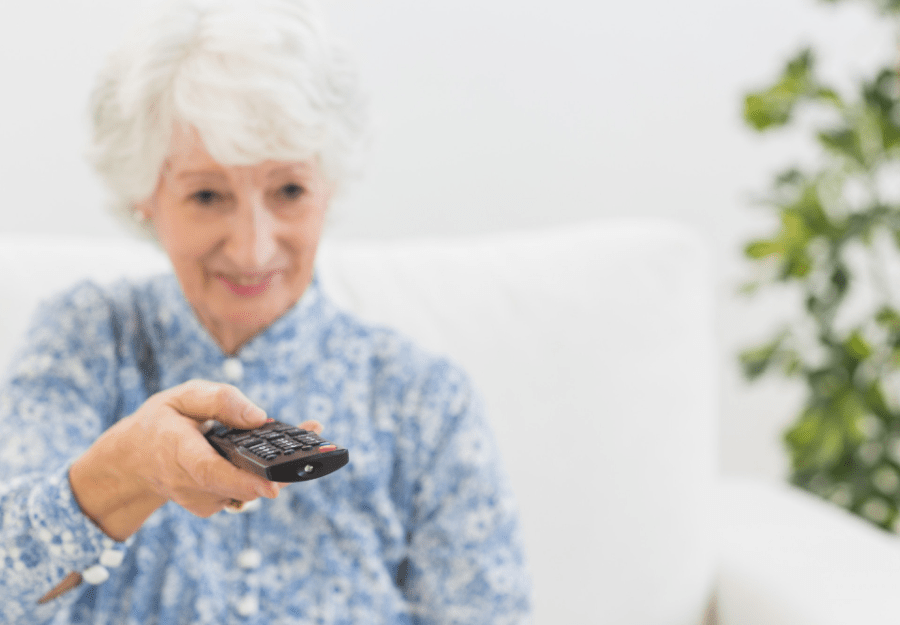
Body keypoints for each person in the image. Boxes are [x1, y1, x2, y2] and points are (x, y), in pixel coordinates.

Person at [0, 0, 531, 622]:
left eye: (288, 190)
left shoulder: (421, 397)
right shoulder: (87, 340)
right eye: (207, 194)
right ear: (147, 197)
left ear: (329, 186)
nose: (252, 249)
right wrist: (126, 471)